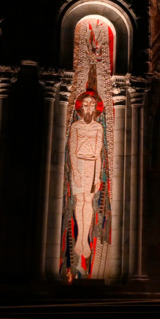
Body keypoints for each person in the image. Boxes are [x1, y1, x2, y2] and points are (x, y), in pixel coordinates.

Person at [69, 92, 105, 265]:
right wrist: (75, 170)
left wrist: (97, 176)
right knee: (79, 201)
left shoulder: (98, 128)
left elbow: (98, 153)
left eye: (92, 104)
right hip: (79, 164)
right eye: (86, 104)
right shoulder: (75, 126)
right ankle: (80, 239)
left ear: (95, 108)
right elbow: (72, 149)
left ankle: (84, 239)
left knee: (88, 201)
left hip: (91, 164)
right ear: (81, 107)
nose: (89, 107)